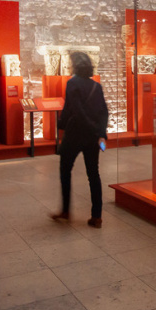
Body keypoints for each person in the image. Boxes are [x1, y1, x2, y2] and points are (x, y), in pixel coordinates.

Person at [51, 51, 109, 228]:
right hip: (92, 137)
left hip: (75, 134)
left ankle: (66, 211)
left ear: (75, 66)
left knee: (65, 170)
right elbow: (104, 111)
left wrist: (60, 124)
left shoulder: (72, 83)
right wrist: (100, 133)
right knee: (93, 174)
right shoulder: (96, 86)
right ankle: (97, 216)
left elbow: (73, 109)